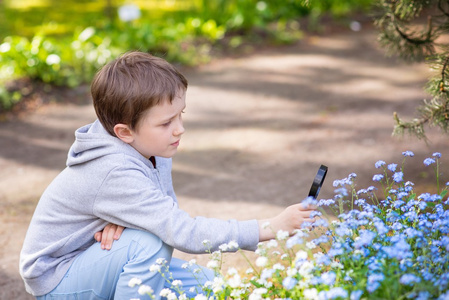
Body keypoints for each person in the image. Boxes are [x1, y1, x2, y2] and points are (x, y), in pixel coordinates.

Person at [19, 51, 317, 299]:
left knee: (211, 284)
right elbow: (178, 230)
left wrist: (127, 219)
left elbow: (164, 213)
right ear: (124, 132)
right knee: (149, 242)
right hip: (58, 280)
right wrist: (271, 227)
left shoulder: (151, 148)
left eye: (181, 115)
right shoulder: (112, 170)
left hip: (99, 258)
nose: (179, 129)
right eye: (165, 123)